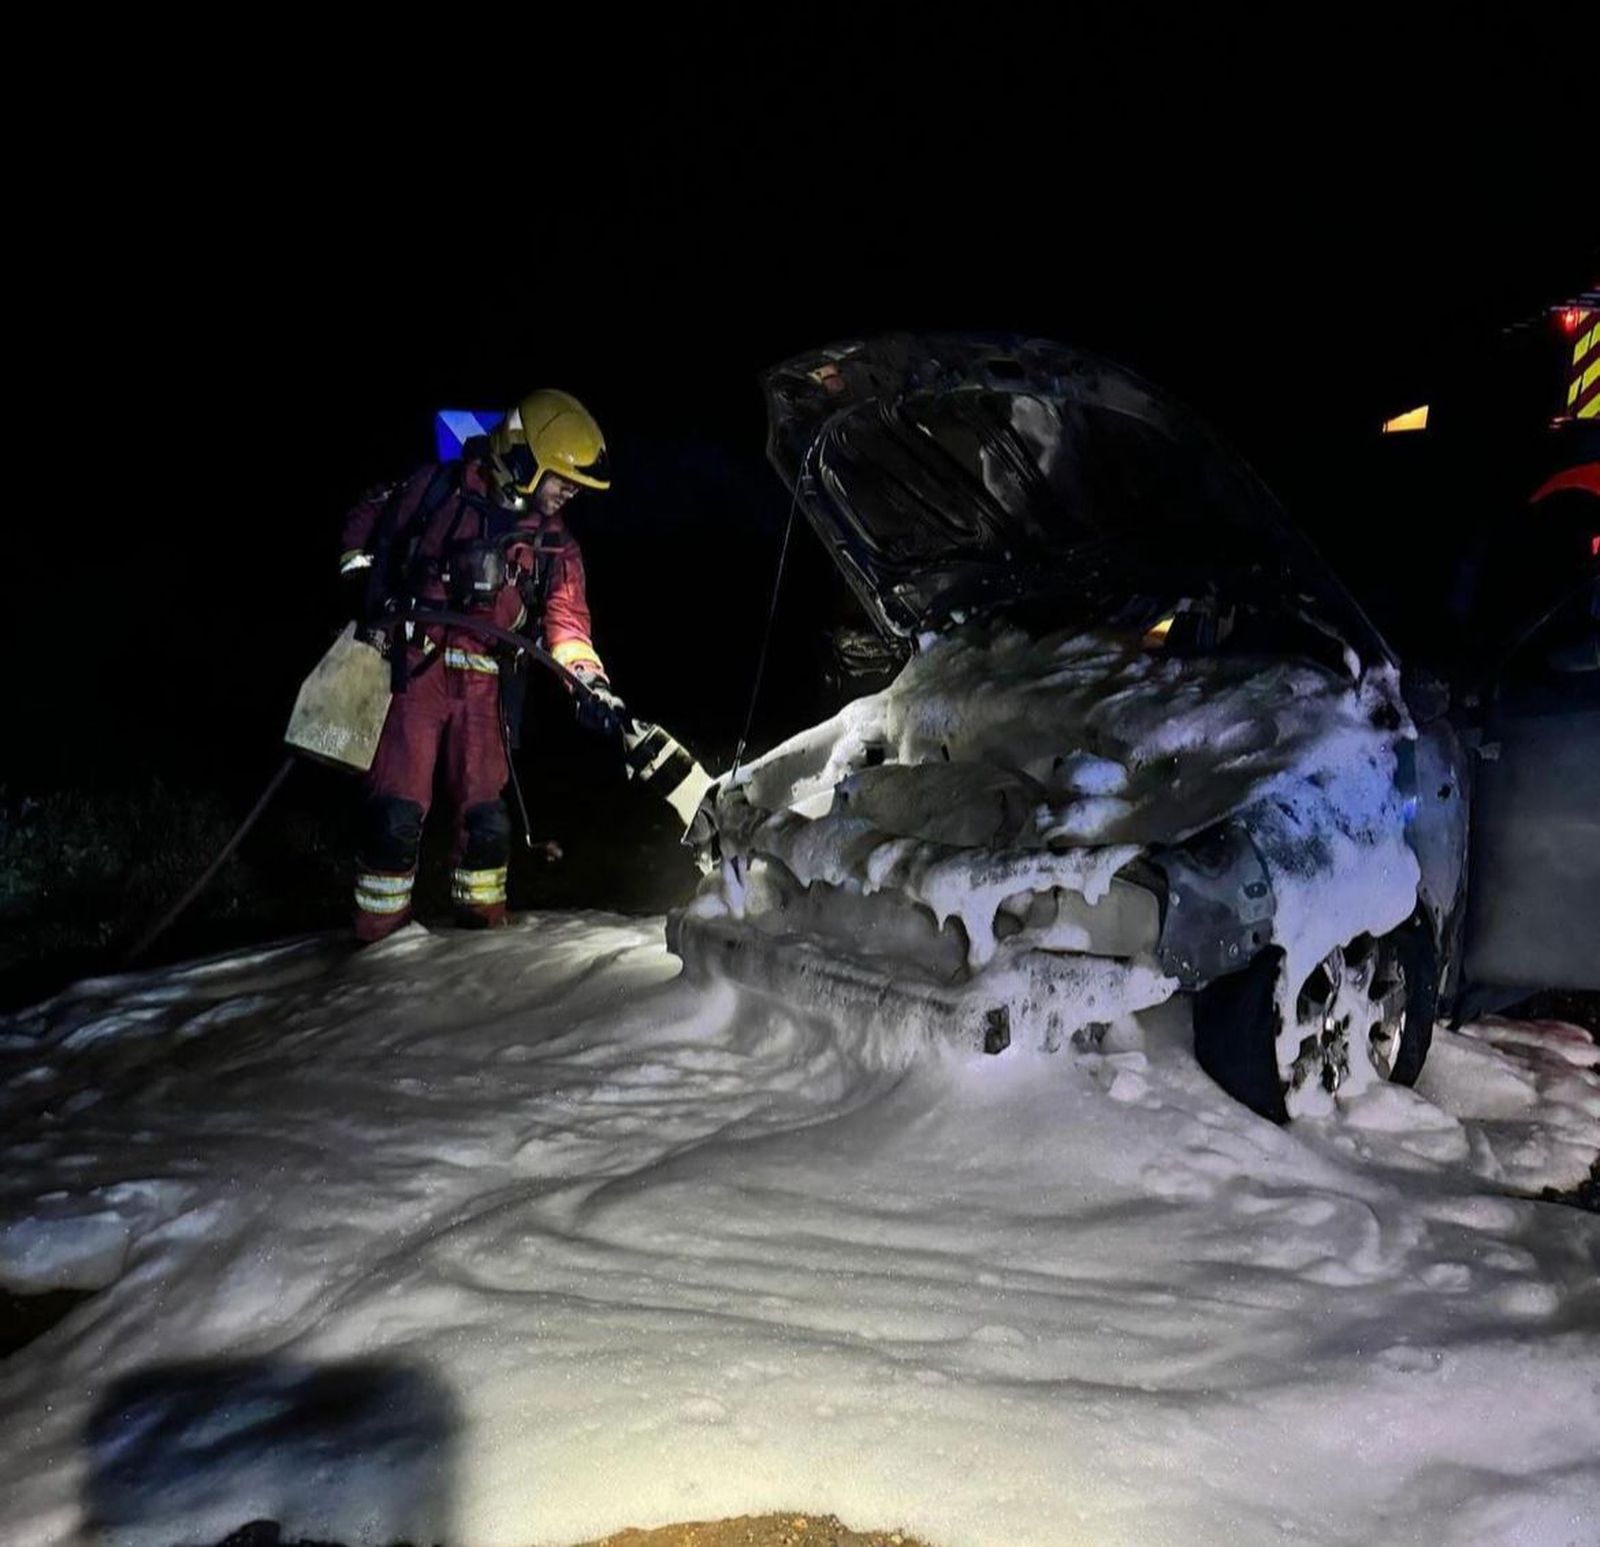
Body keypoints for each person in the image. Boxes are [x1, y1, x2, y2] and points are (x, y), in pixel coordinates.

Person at [337, 389, 627, 941]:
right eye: (562, 479)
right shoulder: (438, 491)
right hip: (413, 671)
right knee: (395, 816)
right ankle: (377, 945)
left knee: (487, 823)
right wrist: (362, 578)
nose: (568, 493)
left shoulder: (554, 546)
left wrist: (591, 685)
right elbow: (370, 516)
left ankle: (483, 947)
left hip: (485, 683)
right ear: (524, 457)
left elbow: (567, 624)